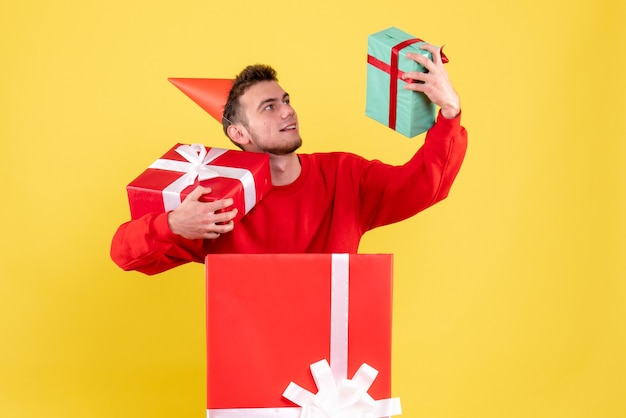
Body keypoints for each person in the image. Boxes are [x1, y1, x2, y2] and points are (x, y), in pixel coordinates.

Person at [110, 43, 468, 275]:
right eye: (269, 107)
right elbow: (124, 253)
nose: (287, 112)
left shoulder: (345, 174)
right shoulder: (214, 203)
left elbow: (426, 185)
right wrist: (172, 224)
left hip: (334, 372)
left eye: (285, 100)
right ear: (239, 134)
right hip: (249, 368)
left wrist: (450, 112)